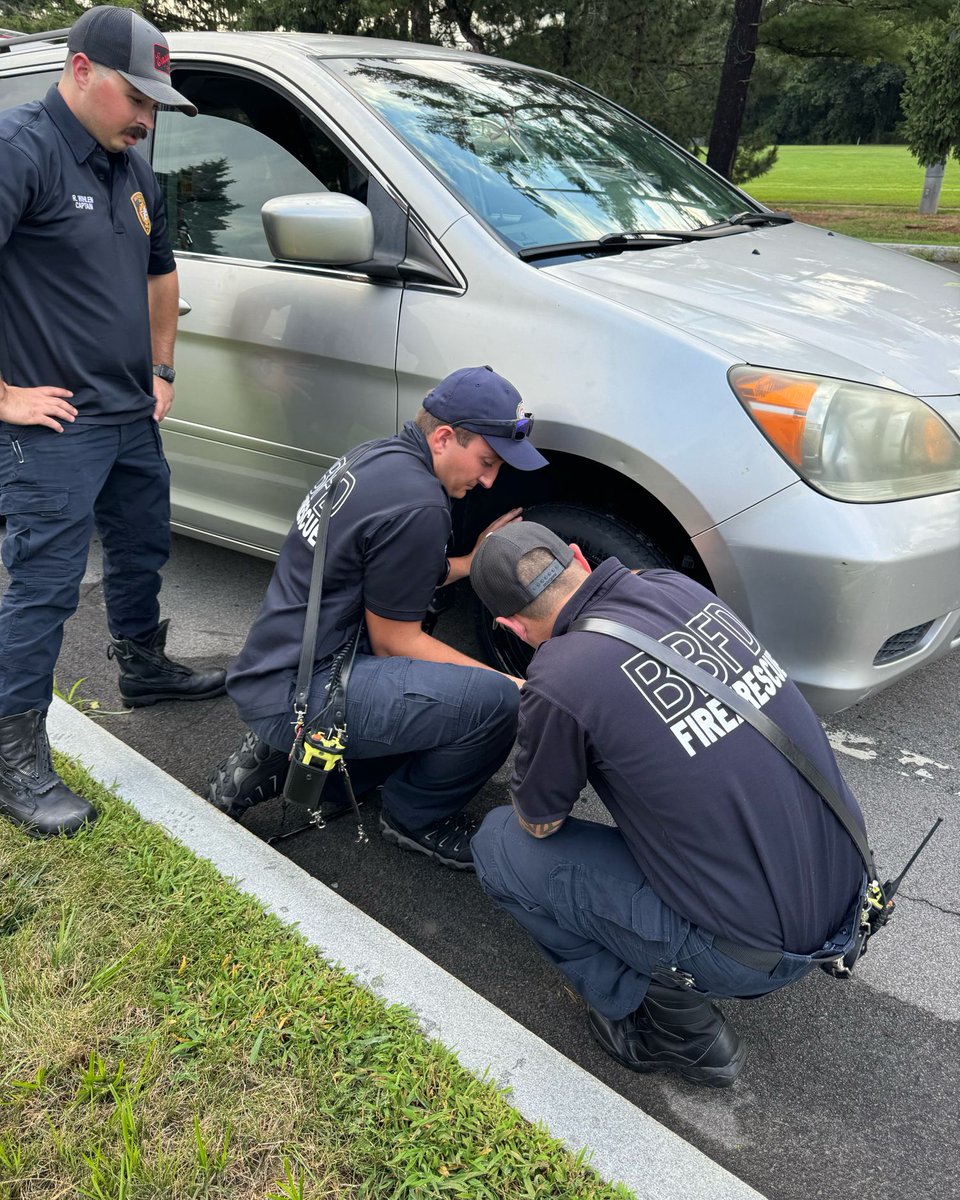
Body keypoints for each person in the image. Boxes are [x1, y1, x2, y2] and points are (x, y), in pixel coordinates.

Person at [469, 522, 866, 1087]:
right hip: (848, 890)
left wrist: (547, 731)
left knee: (499, 844)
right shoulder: (677, 589)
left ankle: (670, 1025)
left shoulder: (560, 676)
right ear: (579, 556)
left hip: (752, 955)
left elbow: (539, 820)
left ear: (509, 625)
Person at [0, 7, 226, 839]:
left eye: (157, 103)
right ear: (83, 70)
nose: (147, 116)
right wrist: (4, 396)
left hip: (129, 412)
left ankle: (143, 666)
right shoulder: (20, 149)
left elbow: (161, 277)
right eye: (139, 95)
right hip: (53, 428)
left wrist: (162, 368)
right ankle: (12, 756)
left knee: (142, 544)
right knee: (46, 588)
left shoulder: (132, 170)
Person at [209, 365, 548, 870]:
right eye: (486, 461)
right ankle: (415, 818)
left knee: (435, 691)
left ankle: (284, 762)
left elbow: (396, 571)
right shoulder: (420, 505)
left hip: (279, 661)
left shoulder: (379, 456)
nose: (489, 479)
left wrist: (471, 560)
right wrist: (512, 682)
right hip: (306, 690)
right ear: (443, 437)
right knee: (497, 704)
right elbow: (396, 643)